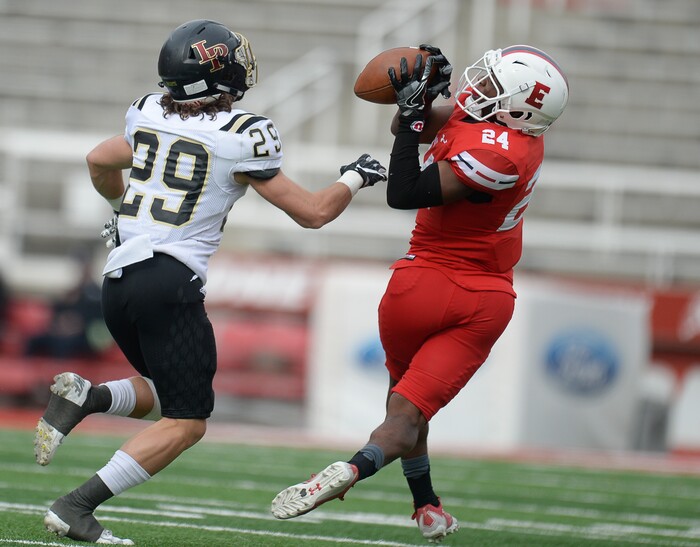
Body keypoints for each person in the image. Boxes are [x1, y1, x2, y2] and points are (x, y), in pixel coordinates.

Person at [34, 19, 386, 545]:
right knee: (188, 421)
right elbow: (313, 214)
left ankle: (89, 398)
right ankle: (76, 507)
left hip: (119, 279)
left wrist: (120, 211)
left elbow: (98, 160)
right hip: (169, 280)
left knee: (168, 391)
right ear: (222, 75)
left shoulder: (147, 113)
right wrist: (355, 175)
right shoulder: (244, 135)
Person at [271, 44, 569, 543]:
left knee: (404, 411)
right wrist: (419, 96)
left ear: (519, 106)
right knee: (409, 416)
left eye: (493, 86)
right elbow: (408, 129)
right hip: (481, 298)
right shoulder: (512, 140)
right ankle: (357, 471)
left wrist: (412, 115)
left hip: (416, 286)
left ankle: (425, 505)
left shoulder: (498, 156)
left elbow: (403, 191)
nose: (478, 88)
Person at [24, 250, 108, 360]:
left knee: (63, 344)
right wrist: (60, 323)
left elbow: (98, 319)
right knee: (35, 340)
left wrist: (77, 325)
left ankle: (60, 373)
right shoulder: (71, 293)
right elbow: (57, 311)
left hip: (85, 334)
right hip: (64, 331)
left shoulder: (97, 293)